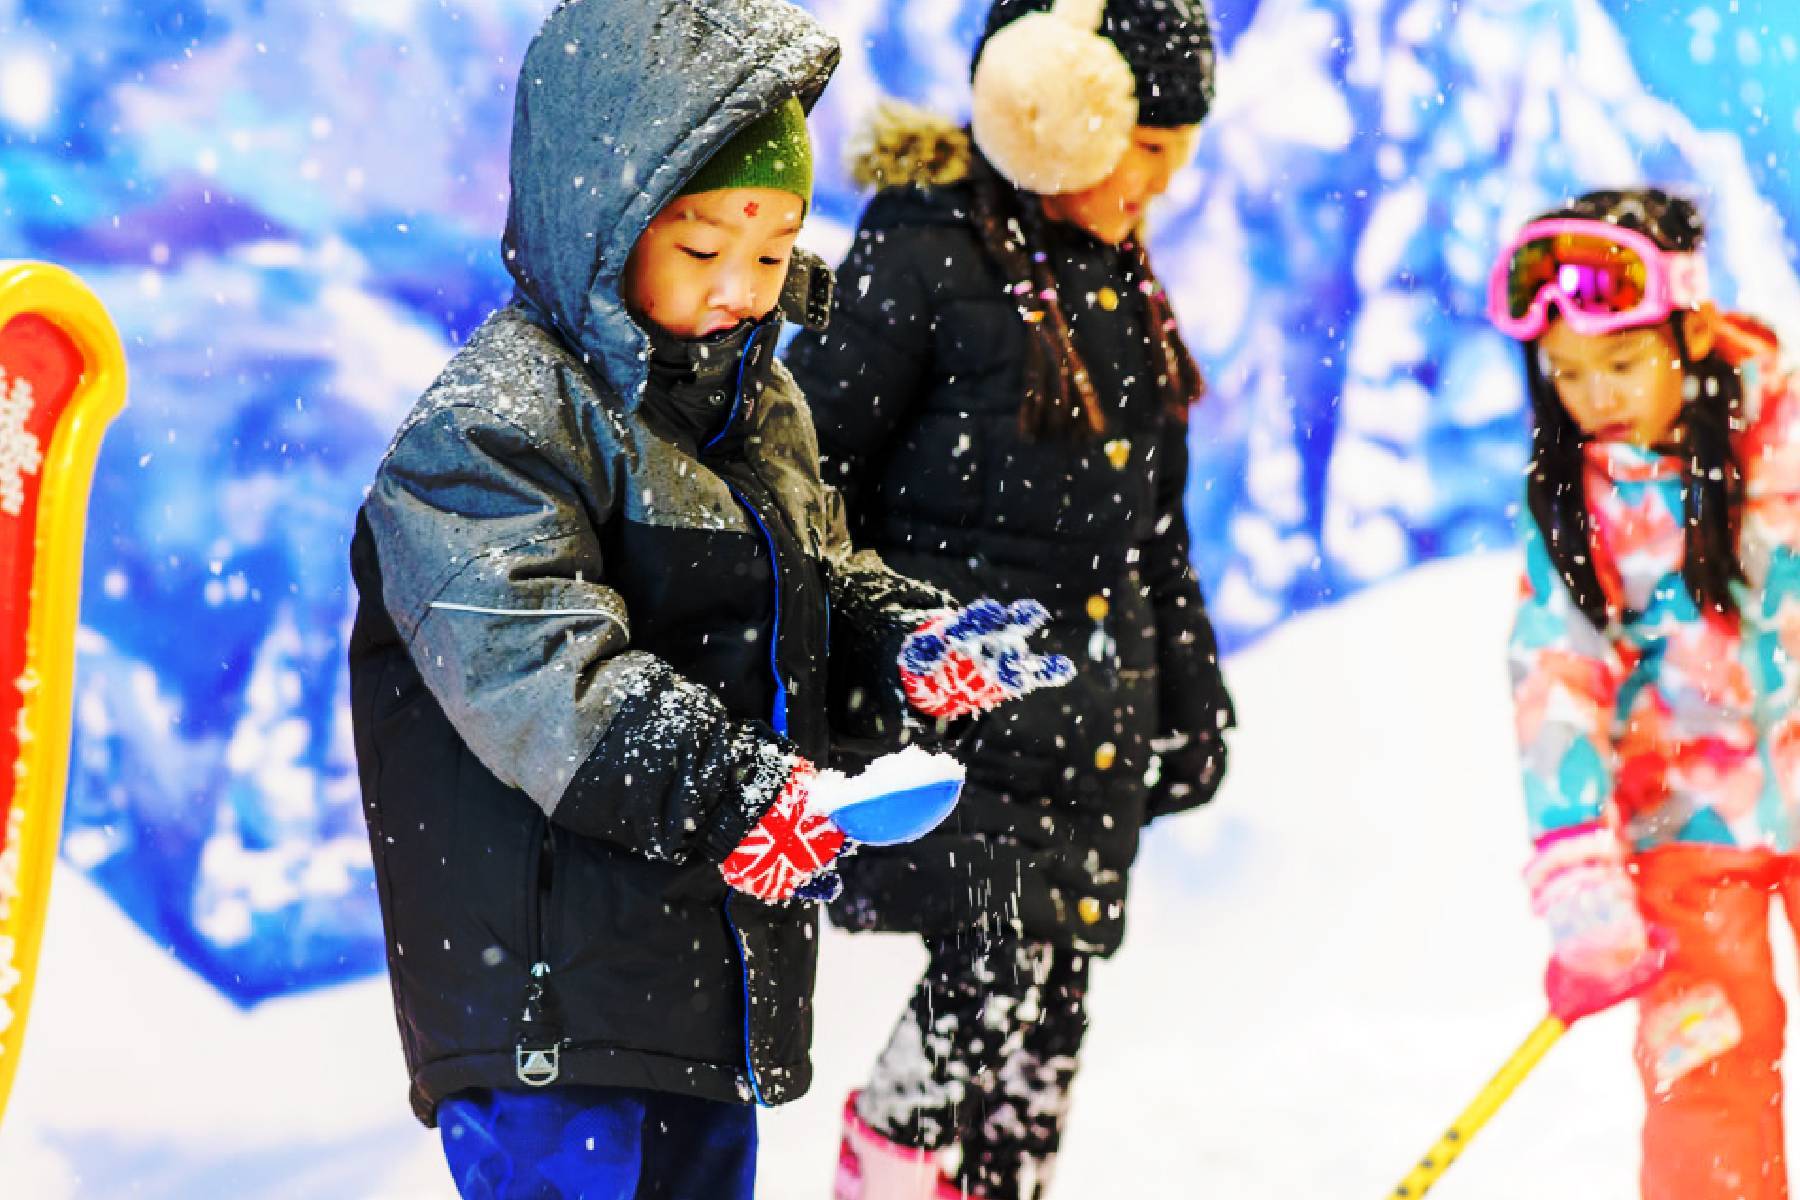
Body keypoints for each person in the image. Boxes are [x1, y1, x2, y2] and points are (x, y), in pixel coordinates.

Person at [346, 2, 1069, 1195]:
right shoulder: (488, 433)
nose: (742, 288)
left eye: (775, 251)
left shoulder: (757, 406)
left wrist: (898, 644)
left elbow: (809, 590)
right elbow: (550, 680)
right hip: (552, 1015)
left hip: (704, 986)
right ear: (601, 217)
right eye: (698, 249)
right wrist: (743, 793)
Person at [783, 1, 1234, 1195]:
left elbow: (1154, 538)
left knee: (1047, 1029)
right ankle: (884, 1170)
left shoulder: (1118, 281)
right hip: (956, 721)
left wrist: (1191, 691)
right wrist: (858, 673)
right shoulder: (923, 251)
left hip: (1087, 730)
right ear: (1051, 111)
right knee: (992, 974)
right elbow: (803, 475)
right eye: (1143, 154)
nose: (1155, 190)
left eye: (1176, 165)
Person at [1496, 187, 1800, 1200]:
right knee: (1706, 1077)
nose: (1595, 395)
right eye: (1567, 372)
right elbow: (1557, 675)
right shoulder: (1579, 500)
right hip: (1683, 838)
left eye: (1622, 362)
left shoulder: (1789, 438)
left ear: (1695, 327)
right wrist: (1577, 862)